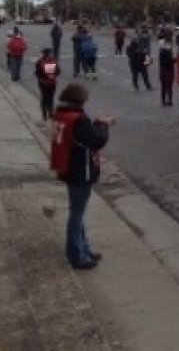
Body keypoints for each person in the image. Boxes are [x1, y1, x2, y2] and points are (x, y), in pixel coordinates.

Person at [51, 83, 116, 269]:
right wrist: (104, 124)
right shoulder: (78, 119)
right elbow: (96, 140)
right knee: (77, 215)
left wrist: (95, 123)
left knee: (77, 212)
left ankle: (84, 249)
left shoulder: (62, 114)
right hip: (81, 170)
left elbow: (81, 135)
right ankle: (77, 255)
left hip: (67, 167)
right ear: (80, 100)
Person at [35, 47, 60, 120]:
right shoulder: (54, 61)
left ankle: (44, 114)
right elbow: (58, 71)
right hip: (52, 82)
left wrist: (40, 77)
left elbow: (37, 72)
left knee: (44, 97)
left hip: (43, 82)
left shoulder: (40, 61)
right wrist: (53, 76)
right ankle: (51, 112)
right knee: (51, 97)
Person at [158, 40, 176, 106]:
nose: (169, 46)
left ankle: (169, 100)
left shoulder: (169, 52)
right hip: (165, 71)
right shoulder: (162, 53)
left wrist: (174, 59)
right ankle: (164, 100)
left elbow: (173, 61)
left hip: (168, 71)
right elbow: (163, 63)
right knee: (164, 87)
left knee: (169, 87)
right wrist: (172, 59)